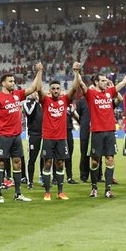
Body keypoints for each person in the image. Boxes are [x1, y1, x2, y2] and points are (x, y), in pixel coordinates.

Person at [0, 64, 43, 203]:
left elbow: (33, 88)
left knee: (17, 163)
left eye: (13, 81)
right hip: (3, 136)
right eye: (10, 81)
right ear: (4, 83)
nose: (13, 83)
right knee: (0, 164)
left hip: (16, 136)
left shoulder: (17, 94)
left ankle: (18, 194)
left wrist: (39, 71)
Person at [84, 62, 126, 198]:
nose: (106, 82)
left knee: (110, 159)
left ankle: (108, 189)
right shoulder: (91, 94)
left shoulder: (110, 92)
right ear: (96, 82)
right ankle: (94, 188)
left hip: (109, 132)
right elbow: (80, 84)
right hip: (96, 132)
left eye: (106, 80)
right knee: (95, 161)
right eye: (102, 80)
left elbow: (125, 81)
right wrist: (76, 71)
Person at [29, 62, 84, 201]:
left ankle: (60, 191)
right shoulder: (45, 100)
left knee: (60, 164)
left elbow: (75, 87)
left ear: (60, 90)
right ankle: (47, 191)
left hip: (61, 138)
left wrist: (76, 72)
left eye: (57, 88)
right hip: (48, 138)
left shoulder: (65, 100)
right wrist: (40, 71)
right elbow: (39, 88)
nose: (55, 90)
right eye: (53, 88)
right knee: (47, 163)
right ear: (50, 90)